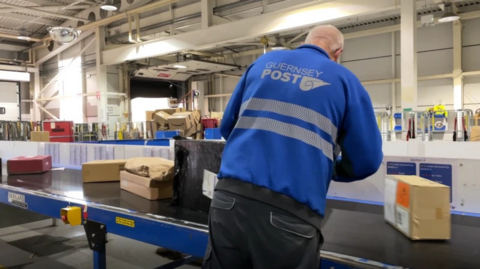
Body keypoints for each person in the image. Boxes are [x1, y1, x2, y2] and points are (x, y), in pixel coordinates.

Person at [202, 25, 383, 269]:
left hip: (228, 202)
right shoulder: (344, 80)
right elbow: (367, 160)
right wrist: (328, 169)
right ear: (338, 52)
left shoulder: (262, 63)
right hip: (288, 215)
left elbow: (227, 127)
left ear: (305, 42)